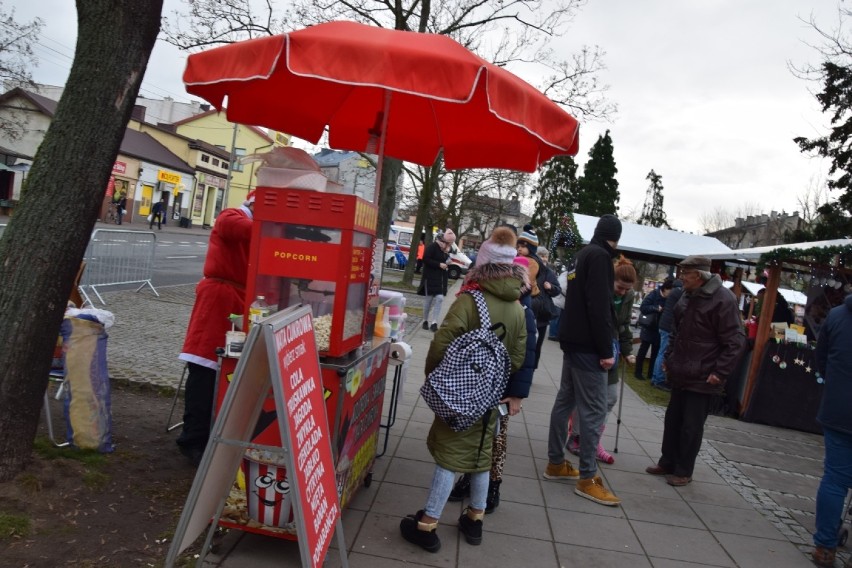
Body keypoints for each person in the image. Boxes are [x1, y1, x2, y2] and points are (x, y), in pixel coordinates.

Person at [400, 226, 527, 552]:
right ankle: (474, 519)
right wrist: (493, 382)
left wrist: (438, 378)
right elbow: (517, 357)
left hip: (459, 394)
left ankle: (427, 525)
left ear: (482, 262)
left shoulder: (471, 299)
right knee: (482, 457)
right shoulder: (516, 307)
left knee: (449, 457)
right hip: (491, 398)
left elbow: (442, 342)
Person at [447, 253, 538, 513]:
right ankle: (470, 479)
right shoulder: (500, 301)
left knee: (496, 439)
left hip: (503, 388)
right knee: (478, 435)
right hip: (482, 381)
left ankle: (493, 486)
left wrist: (518, 393)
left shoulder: (524, 309)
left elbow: (528, 354)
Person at [544, 213, 623, 507]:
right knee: (594, 409)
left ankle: (555, 463)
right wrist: (606, 350)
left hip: (573, 339)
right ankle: (588, 478)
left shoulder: (582, 255)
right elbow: (600, 305)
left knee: (565, 401)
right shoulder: (601, 257)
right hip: (590, 346)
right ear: (615, 237)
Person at [646, 255, 745, 486]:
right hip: (681, 371)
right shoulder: (686, 296)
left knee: (691, 426)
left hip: (704, 376)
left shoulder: (724, 299)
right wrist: (669, 358)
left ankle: (683, 471)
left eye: (685, 274)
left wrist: (719, 372)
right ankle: (667, 461)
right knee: (672, 421)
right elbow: (676, 332)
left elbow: (735, 341)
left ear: (698, 276)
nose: (681, 278)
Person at [175, 193, 255, 466]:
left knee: (230, 371)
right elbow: (240, 230)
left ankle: (215, 434)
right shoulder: (232, 216)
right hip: (218, 298)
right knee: (205, 369)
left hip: (244, 301)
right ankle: (193, 440)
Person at [567, 255, 638, 465]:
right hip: (592, 349)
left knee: (609, 397)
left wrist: (627, 350)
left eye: (627, 289)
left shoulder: (628, 296)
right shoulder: (601, 289)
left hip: (613, 350)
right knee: (587, 398)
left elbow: (623, 325)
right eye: (620, 286)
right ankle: (577, 437)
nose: (622, 292)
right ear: (612, 279)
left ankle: (593, 438)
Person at [810, 292, 852, 567]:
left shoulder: (837, 316)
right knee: (835, 480)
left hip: (840, 410)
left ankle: (825, 547)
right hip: (839, 412)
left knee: (835, 480)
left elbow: (820, 361)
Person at [634, 279, 673, 380]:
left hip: (659, 328)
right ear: (665, 289)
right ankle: (638, 372)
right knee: (643, 350)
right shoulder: (654, 294)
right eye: (671, 291)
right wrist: (656, 308)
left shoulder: (669, 299)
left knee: (655, 353)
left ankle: (651, 374)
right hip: (649, 326)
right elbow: (643, 307)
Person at [418, 229, 455, 332]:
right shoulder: (433, 247)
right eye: (449, 243)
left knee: (440, 298)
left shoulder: (446, 250)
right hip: (429, 278)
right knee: (428, 301)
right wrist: (439, 264)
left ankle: (434, 322)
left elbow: (444, 260)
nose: (450, 245)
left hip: (440, 279)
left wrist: (447, 262)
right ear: (444, 241)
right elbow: (426, 259)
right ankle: (425, 320)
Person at [651, 278, 683, 391]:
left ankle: (655, 378)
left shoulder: (672, 292)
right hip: (668, 326)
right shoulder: (679, 292)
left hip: (664, 325)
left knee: (661, 352)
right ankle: (658, 379)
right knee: (663, 353)